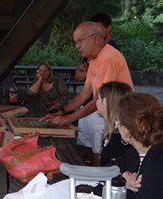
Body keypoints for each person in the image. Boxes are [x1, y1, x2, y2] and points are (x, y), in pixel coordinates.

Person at [41, 22, 133, 166]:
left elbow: (100, 99)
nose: (77, 46)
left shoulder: (108, 58)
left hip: (117, 117)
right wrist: (61, 112)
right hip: (102, 111)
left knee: (102, 154)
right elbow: (84, 94)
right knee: (92, 151)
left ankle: (96, 184)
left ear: (95, 38)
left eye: (80, 41)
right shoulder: (94, 59)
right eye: (75, 42)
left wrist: (68, 118)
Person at [114, 93, 163, 199]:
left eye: (117, 123)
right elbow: (112, 167)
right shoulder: (137, 153)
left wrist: (124, 188)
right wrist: (123, 177)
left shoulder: (161, 163)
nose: (117, 127)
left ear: (127, 130)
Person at [75, 12, 121, 81]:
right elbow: (78, 75)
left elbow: (105, 78)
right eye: (93, 30)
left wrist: (88, 74)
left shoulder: (113, 51)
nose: (96, 32)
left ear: (109, 28)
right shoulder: (91, 48)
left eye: (99, 29)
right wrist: (91, 74)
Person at [96, 81, 133, 166]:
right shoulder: (114, 133)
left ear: (106, 103)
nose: (96, 102)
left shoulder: (119, 139)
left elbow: (115, 171)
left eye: (98, 99)